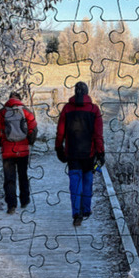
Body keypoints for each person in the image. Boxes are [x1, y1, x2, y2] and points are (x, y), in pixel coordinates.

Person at [55, 81, 105, 227]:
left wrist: (59, 148)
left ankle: (76, 214)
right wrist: (101, 153)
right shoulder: (94, 109)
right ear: (87, 92)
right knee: (87, 182)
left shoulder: (66, 108)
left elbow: (60, 132)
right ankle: (86, 209)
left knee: (74, 184)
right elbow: (98, 135)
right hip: (89, 154)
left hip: (72, 154)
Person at [0, 92, 37, 213]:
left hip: (8, 151)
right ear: (20, 100)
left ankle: (11, 205)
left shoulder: (2, 112)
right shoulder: (26, 111)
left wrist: (1, 143)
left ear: (9, 99)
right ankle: (25, 200)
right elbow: (33, 128)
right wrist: (29, 141)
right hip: (23, 150)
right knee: (23, 175)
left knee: (9, 178)